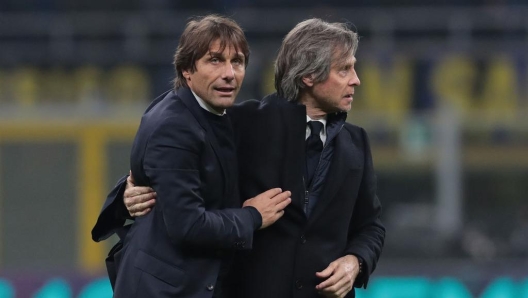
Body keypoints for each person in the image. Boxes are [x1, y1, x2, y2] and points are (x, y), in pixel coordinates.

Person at [103, 18, 385, 298]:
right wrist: (127, 194)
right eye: (345, 69)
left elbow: (370, 226)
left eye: (237, 62)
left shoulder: (356, 143)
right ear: (309, 76)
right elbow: (175, 169)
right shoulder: (242, 123)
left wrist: (355, 262)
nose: (356, 79)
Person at [91, 15, 292, 298]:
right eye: (215, 60)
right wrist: (253, 216)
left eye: (237, 62)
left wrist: (124, 194)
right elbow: (188, 226)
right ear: (187, 69)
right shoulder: (174, 125)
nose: (229, 73)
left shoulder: (210, 112)